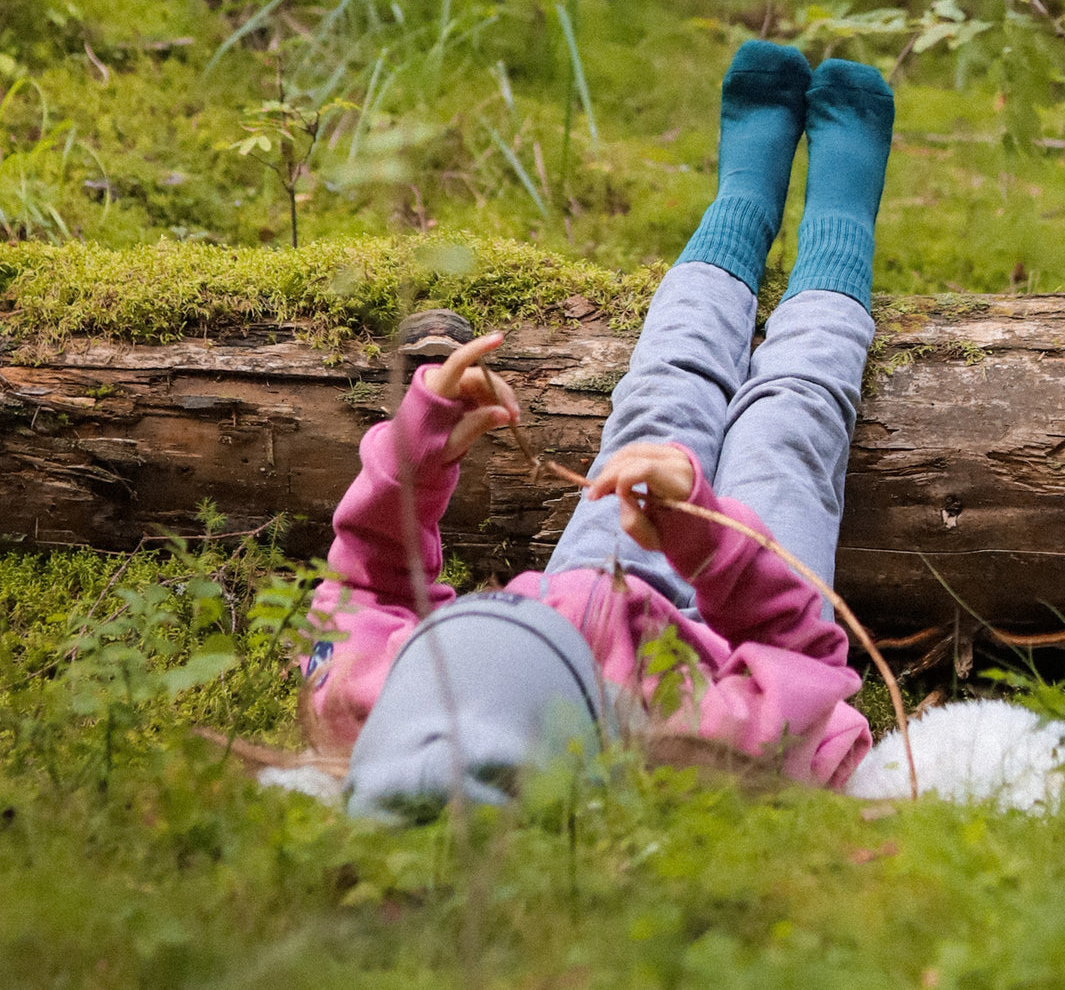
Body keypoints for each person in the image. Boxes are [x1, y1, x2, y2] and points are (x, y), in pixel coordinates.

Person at [304, 40, 896, 817]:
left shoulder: (370, 708)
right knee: (792, 423)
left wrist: (414, 454)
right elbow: (803, 654)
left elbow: (368, 583)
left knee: (660, 392)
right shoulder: (705, 739)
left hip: (603, 560)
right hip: (722, 636)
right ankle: (840, 224)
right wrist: (710, 539)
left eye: (496, 614)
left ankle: (743, 205)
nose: (500, 605)